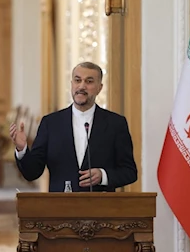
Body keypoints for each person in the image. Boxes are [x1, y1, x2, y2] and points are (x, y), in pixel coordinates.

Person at [9, 61, 137, 192]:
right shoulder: (51, 123)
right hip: (61, 207)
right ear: (71, 85)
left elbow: (129, 172)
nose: (81, 86)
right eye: (77, 80)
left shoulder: (115, 123)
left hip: (101, 208)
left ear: (100, 88)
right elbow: (32, 173)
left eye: (89, 81)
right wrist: (22, 149)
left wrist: (103, 175)